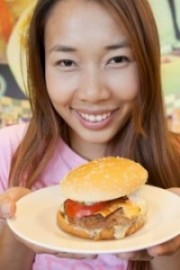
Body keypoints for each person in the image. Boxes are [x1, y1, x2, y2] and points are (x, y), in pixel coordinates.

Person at [0, 0, 180, 269]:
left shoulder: (176, 160)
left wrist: (171, 236)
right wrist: (18, 225)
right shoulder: (8, 152)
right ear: (42, 67)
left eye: (117, 59)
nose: (93, 93)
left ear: (145, 61)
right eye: (67, 62)